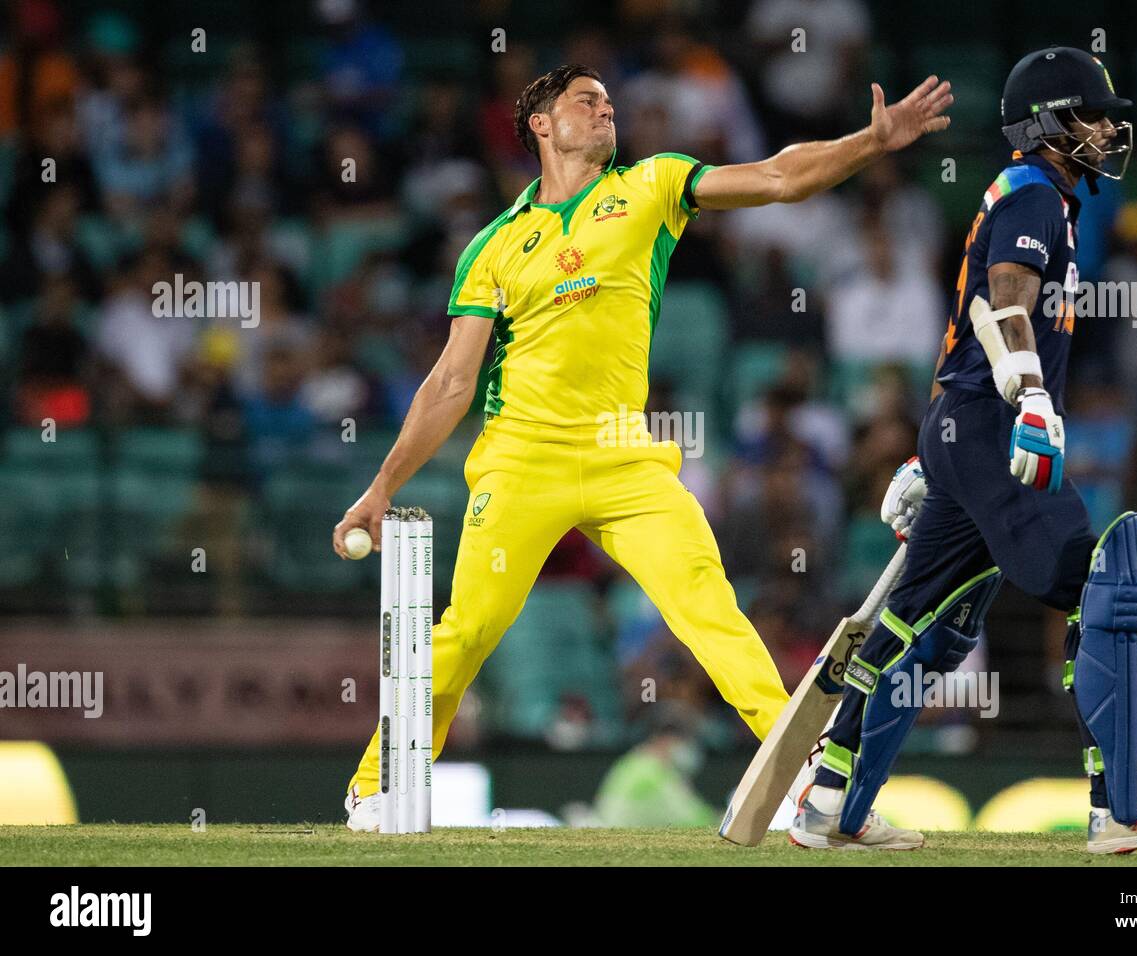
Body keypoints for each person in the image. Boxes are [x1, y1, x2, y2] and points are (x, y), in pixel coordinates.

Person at [334, 63, 953, 831]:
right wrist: (383, 486)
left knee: (711, 611)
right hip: (522, 457)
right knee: (468, 630)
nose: (605, 110)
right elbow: (450, 383)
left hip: (628, 455)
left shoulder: (652, 186)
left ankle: (814, 793)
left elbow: (778, 177)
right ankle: (380, 784)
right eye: (585, 102)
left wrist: (871, 141)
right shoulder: (494, 245)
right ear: (540, 124)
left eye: (608, 101)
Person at [790, 47, 1137, 854]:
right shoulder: (1033, 198)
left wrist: (942, 451)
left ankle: (829, 802)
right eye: (1090, 116)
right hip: (987, 422)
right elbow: (1003, 302)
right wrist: (1028, 401)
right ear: (1050, 122)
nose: (1104, 130)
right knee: (1107, 590)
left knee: (921, 626)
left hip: (963, 426)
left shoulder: (1038, 196)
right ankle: (1121, 811)